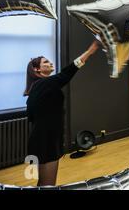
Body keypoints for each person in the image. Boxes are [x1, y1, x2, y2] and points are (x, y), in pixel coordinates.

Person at [24, 40, 101, 186]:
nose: (50, 62)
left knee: (44, 183)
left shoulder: (36, 88)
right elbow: (68, 72)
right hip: (46, 142)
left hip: (40, 141)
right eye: (45, 62)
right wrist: (90, 51)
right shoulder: (45, 83)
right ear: (37, 70)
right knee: (47, 184)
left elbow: (31, 115)